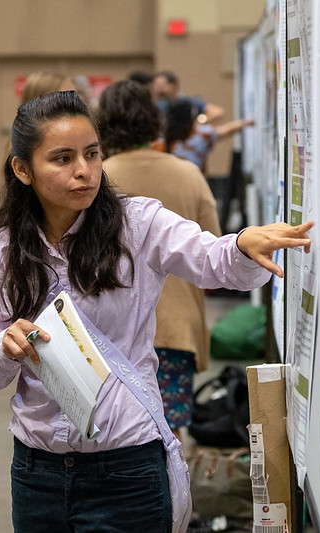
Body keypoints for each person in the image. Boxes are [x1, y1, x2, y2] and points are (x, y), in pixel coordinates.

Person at [0, 90, 312, 532]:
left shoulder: (137, 224)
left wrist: (243, 243)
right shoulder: (5, 249)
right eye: (62, 159)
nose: (84, 171)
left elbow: (212, 259)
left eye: (92, 154)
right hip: (38, 473)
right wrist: (5, 346)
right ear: (22, 170)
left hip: (127, 469)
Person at [98, 80, 220, 440]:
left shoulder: (96, 178)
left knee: (118, 433)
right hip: (176, 326)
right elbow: (213, 249)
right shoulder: (188, 173)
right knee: (171, 437)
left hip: (113, 328)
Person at [165, 97, 255, 174]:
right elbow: (225, 130)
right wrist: (246, 123)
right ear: (191, 115)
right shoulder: (201, 134)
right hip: (195, 180)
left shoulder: (163, 137)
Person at [151, 70, 224, 124]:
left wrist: (198, 122)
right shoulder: (159, 105)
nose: (158, 89)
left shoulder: (186, 102)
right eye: (155, 85)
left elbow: (217, 112)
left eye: (161, 86)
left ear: (173, 86)